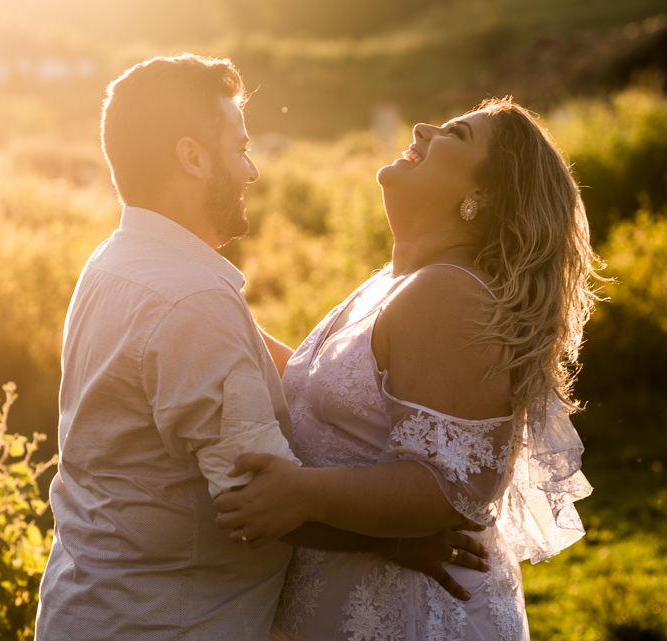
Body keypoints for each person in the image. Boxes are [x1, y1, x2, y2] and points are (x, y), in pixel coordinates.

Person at [35, 54, 489, 641]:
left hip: (88, 606)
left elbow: (256, 360)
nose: (252, 171)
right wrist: (396, 540)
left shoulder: (117, 261)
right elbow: (259, 497)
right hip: (165, 624)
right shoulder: (192, 301)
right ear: (193, 158)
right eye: (240, 147)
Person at [213, 97, 598, 640]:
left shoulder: (450, 294)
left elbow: (453, 488)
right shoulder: (394, 283)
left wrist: (304, 493)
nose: (422, 128)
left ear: (479, 197)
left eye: (455, 135)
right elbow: (307, 381)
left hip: (411, 614)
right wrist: (207, 301)